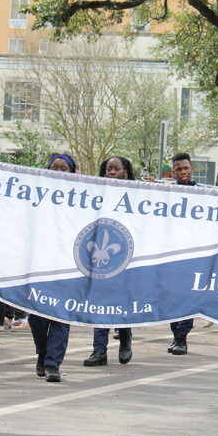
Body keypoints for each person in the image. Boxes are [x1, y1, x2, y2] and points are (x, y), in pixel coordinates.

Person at [27, 152, 76, 383]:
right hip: (40, 264)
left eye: (63, 169)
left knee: (60, 314)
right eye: (54, 168)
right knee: (37, 315)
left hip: (68, 266)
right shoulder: (35, 196)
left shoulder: (83, 197)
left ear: (72, 172)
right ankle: (42, 351)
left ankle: (53, 364)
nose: (58, 172)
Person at [83, 156, 135, 367]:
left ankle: (125, 339)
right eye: (108, 169)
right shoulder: (97, 194)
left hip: (126, 256)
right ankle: (99, 351)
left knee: (120, 302)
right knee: (99, 303)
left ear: (125, 172)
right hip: (100, 258)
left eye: (117, 169)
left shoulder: (136, 194)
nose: (112, 172)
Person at [168, 152, 198, 355]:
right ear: (173, 172)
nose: (183, 172)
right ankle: (174, 335)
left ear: (192, 169)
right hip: (171, 252)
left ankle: (182, 337)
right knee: (170, 295)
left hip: (194, 253)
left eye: (185, 168)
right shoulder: (167, 192)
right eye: (178, 169)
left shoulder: (202, 193)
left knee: (188, 296)